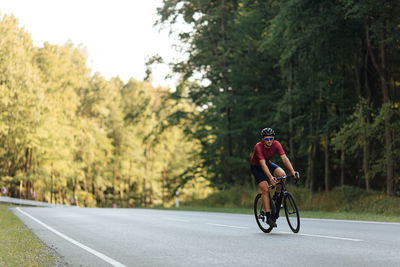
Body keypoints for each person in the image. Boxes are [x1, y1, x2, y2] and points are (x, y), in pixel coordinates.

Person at [250, 127, 299, 227]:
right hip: (257, 167)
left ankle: (277, 195)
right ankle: (268, 216)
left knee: (282, 175)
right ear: (263, 139)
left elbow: (284, 158)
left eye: (271, 138)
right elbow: (262, 165)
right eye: (267, 139)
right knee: (265, 188)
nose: (269, 141)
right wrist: (271, 177)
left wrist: (293, 172)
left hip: (268, 164)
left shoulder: (276, 144)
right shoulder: (258, 146)